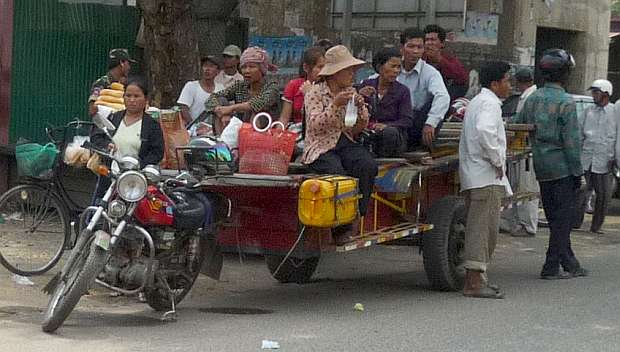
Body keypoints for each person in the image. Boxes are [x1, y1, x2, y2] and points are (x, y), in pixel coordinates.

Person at [513, 48, 588, 279]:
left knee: (556, 216)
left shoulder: (533, 98)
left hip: (542, 167)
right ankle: (550, 265)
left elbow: (518, 125)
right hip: (563, 167)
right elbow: (571, 143)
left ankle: (570, 263)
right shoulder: (565, 102)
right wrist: (578, 173)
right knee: (562, 220)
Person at [302, 45, 378, 245]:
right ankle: (340, 228)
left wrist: (361, 109)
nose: (352, 74)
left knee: (367, 166)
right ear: (335, 73)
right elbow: (315, 125)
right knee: (338, 174)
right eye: (349, 70)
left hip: (343, 140)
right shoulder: (315, 93)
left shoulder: (350, 91)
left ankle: (356, 215)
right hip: (319, 146)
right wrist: (335, 105)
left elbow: (355, 128)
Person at [459, 61, 512, 299]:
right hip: (485, 175)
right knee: (483, 230)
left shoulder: (479, 102)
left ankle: (478, 279)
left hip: (476, 174)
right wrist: (498, 161)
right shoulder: (489, 104)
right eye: (507, 81)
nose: (509, 86)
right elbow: (484, 131)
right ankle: (474, 282)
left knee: (480, 228)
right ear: (495, 83)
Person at [90, 79, 164, 200]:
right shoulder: (114, 117)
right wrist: (107, 145)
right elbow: (96, 136)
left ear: (145, 99)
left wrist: (139, 165)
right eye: (128, 96)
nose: (132, 100)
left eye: (136, 96)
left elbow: (157, 152)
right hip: (109, 177)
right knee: (98, 211)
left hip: (134, 182)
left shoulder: (151, 125)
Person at [204, 46, 280, 136]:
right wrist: (221, 111)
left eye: (252, 67)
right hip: (239, 130)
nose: (247, 71)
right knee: (221, 100)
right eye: (244, 67)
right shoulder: (240, 85)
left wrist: (231, 108)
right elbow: (212, 98)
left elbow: (258, 103)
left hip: (265, 133)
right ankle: (221, 142)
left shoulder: (272, 86)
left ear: (262, 69)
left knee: (256, 112)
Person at [500, 68, 540, 237]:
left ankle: (527, 225)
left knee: (527, 188)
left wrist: (507, 124)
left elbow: (522, 120)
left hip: (528, 149)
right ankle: (513, 222)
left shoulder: (532, 98)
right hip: (520, 148)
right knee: (516, 187)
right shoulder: (526, 97)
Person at [575, 79, 618, 233]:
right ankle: (575, 223)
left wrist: (616, 158)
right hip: (586, 158)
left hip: (605, 160)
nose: (593, 95)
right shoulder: (588, 111)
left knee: (604, 195)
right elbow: (579, 134)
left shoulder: (615, 112)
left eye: (596, 92)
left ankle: (596, 226)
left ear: (606, 94)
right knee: (581, 192)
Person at [397, 27, 450, 147]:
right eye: (411, 46)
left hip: (417, 121)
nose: (415, 51)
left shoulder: (430, 72)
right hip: (395, 118)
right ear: (402, 48)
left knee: (434, 103)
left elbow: (443, 97)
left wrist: (430, 123)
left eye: (419, 47)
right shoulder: (392, 68)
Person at [357, 47, 413, 157]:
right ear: (380, 67)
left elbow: (407, 120)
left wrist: (385, 125)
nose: (396, 71)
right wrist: (359, 95)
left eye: (398, 67)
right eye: (393, 66)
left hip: (392, 138)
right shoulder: (366, 85)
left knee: (389, 132)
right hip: (369, 133)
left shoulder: (402, 91)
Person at [279, 47, 326, 126]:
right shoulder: (294, 85)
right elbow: (284, 118)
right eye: (320, 67)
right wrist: (278, 135)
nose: (324, 71)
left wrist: (310, 95)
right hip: (297, 130)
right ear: (306, 67)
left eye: (325, 67)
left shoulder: (328, 87)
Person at [423, 24, 469, 100]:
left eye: (433, 40)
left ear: (442, 43)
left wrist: (439, 60)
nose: (429, 43)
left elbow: (462, 79)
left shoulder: (448, 58)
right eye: (426, 40)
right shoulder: (419, 58)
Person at [177, 56, 224, 125]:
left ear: (218, 71)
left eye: (211, 66)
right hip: (193, 130)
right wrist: (194, 126)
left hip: (214, 130)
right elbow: (183, 108)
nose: (207, 69)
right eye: (205, 66)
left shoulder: (221, 88)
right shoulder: (191, 86)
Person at [88, 48, 136, 116]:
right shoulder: (101, 83)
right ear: (121, 63)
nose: (129, 67)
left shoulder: (127, 85)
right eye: (128, 63)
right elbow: (92, 110)